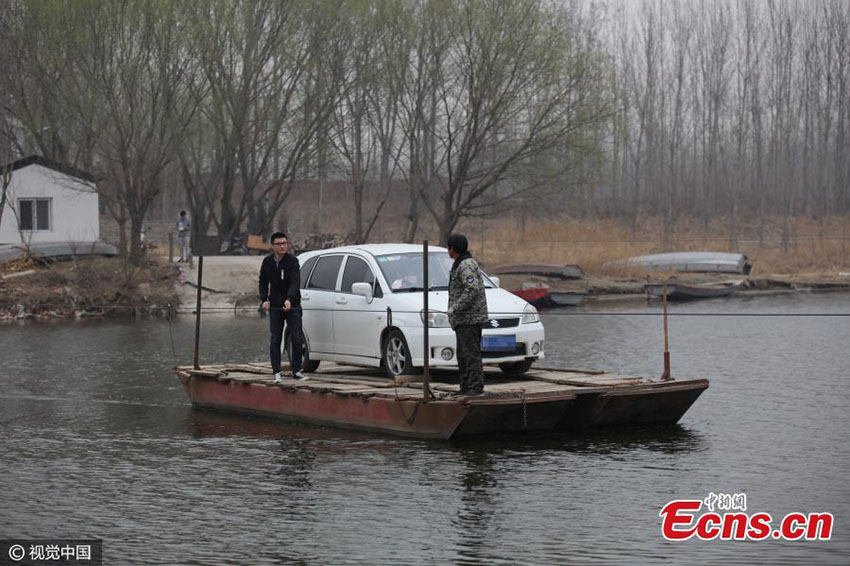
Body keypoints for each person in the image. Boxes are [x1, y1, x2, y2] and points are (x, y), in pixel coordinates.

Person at [259, 232, 307, 383]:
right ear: (272, 246)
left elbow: (295, 281)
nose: (282, 246)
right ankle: (276, 372)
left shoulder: (292, 261)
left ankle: (297, 370)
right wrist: (264, 299)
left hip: (293, 304)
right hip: (275, 304)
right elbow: (263, 281)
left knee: (297, 337)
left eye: (284, 243)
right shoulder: (267, 262)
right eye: (279, 244)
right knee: (275, 338)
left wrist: (289, 299)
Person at [446, 233, 489, 396]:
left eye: (448, 247)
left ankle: (475, 389)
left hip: (470, 319)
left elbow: (472, 288)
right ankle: (465, 388)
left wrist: (455, 307)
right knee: (463, 355)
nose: (447, 251)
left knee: (471, 355)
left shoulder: (465, 265)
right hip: (463, 320)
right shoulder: (461, 263)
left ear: (452, 249)